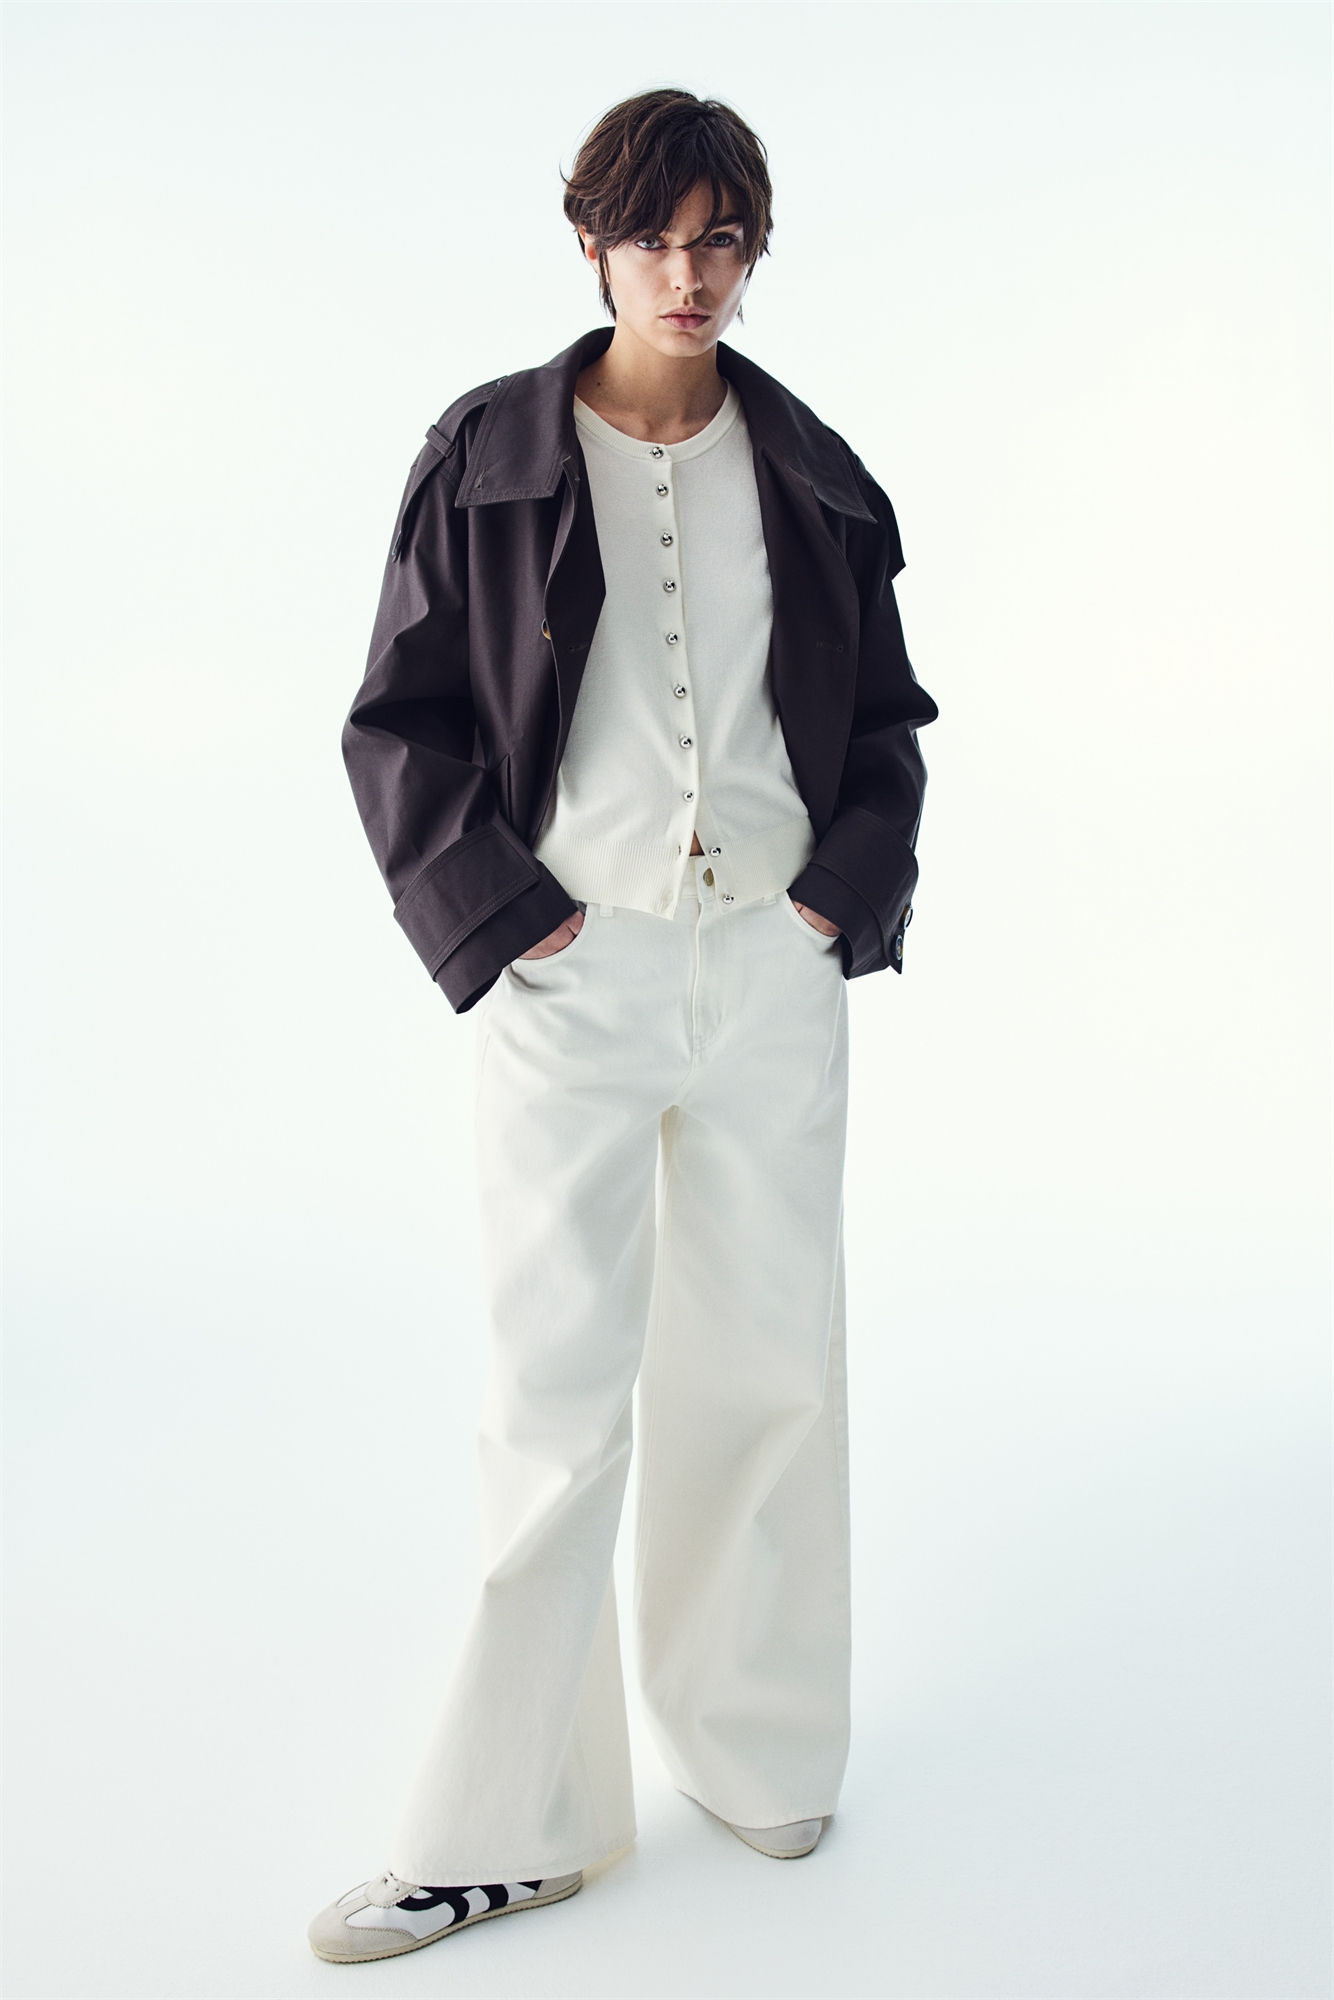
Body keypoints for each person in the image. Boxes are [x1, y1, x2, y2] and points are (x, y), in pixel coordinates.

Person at [309, 86, 938, 1965]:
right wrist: (506, 918)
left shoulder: (814, 471)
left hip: (769, 976)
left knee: (771, 1371)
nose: (688, 271)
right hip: (568, 981)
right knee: (553, 1399)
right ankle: (508, 1828)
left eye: (720, 236)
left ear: (753, 250)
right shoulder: (487, 457)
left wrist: (837, 896)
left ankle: (756, 1746)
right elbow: (398, 719)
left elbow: (886, 727)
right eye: (655, 235)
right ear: (589, 242)